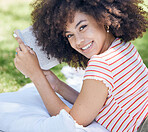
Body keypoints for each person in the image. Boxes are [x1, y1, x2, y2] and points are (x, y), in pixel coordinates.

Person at [8, 0, 148, 131]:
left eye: (82, 27)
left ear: (103, 19)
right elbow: (91, 103)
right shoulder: (122, 47)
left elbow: (69, 123)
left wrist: (36, 75)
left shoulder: (100, 65)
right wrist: (56, 84)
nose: (79, 41)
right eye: (69, 35)